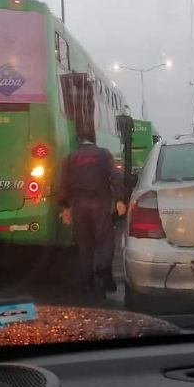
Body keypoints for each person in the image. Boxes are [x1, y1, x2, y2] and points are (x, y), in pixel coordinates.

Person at [59, 129, 127, 302]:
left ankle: (87, 282)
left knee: (84, 244)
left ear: (79, 140)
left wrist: (65, 207)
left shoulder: (71, 157)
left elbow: (63, 183)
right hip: (100, 205)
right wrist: (120, 199)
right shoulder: (103, 154)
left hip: (79, 206)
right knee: (104, 241)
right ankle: (103, 274)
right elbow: (115, 176)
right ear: (94, 140)